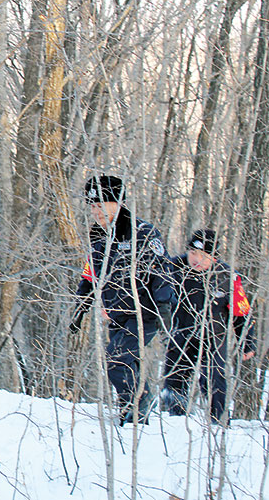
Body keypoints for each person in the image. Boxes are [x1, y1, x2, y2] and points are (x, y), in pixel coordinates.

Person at [69, 174, 176, 425]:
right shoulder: (98, 235)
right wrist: (80, 307)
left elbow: (162, 271)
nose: (95, 211)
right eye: (92, 206)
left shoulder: (142, 232)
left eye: (101, 205)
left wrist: (164, 306)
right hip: (117, 312)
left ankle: (139, 406)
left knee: (116, 358)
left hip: (145, 312)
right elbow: (91, 274)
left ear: (117, 202)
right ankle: (135, 415)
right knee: (127, 363)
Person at [162, 229, 256, 423]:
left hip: (214, 336)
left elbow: (242, 313)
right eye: (193, 253)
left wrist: (247, 343)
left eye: (204, 256)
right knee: (174, 380)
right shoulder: (172, 267)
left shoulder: (228, 277)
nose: (196, 259)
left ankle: (219, 422)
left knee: (214, 378)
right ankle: (176, 421)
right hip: (181, 333)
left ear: (214, 259)